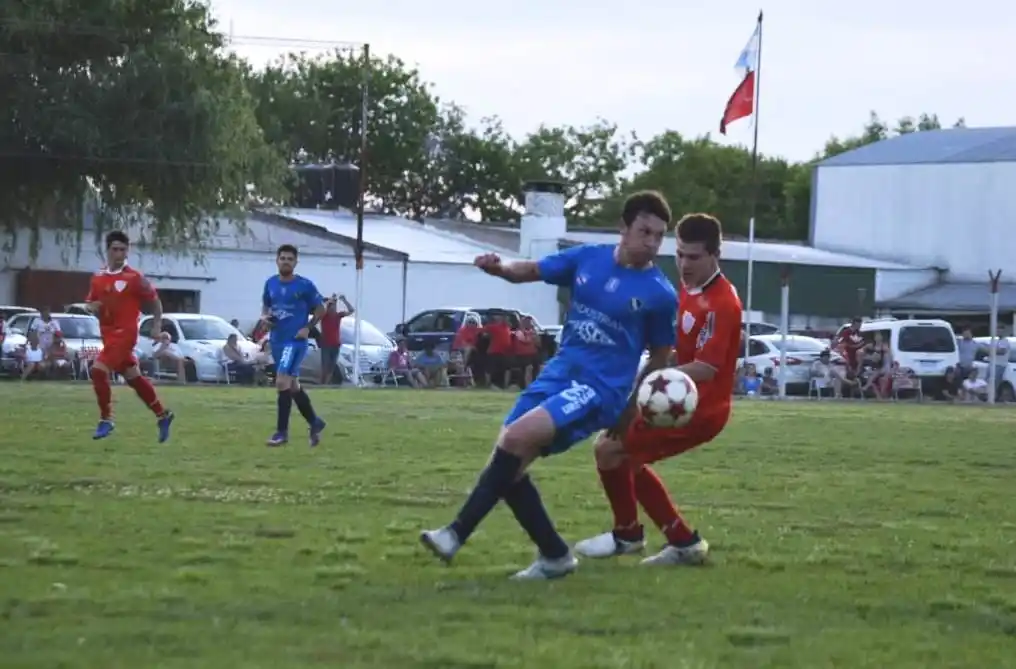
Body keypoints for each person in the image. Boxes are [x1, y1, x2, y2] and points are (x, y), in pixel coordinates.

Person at [419, 190, 678, 580]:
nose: (652, 243)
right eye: (645, 231)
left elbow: (660, 356)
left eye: (659, 235)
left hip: (599, 389)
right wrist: (500, 267)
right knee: (508, 464)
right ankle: (555, 555)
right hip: (559, 374)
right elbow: (533, 270)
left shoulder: (660, 293)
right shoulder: (587, 258)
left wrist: (630, 407)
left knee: (514, 441)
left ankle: (456, 533)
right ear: (623, 228)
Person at [574, 213, 742, 567]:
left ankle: (628, 534)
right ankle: (682, 541)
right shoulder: (689, 289)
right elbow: (685, 351)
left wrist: (650, 379)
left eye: (693, 257)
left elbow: (706, 368)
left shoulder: (722, 303)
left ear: (715, 255)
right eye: (680, 254)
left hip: (699, 407)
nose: (684, 263)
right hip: (680, 398)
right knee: (623, 457)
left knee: (609, 449)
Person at [84, 231, 174, 442]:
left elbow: (155, 302)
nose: (119, 254)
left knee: (98, 371)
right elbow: (91, 303)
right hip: (108, 334)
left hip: (125, 334)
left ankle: (106, 419)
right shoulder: (97, 277)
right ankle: (163, 415)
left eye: (123, 250)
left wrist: (156, 326)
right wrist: (92, 307)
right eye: (115, 249)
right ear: (107, 251)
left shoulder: (134, 278)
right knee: (133, 377)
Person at [261, 244, 327, 447]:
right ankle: (315, 422)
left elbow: (321, 309)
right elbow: (266, 306)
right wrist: (265, 318)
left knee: (281, 382)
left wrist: (308, 327)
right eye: (283, 258)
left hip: (295, 341)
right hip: (277, 339)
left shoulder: (305, 285)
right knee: (293, 385)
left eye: (290, 259)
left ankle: (281, 433)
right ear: (277, 260)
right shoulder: (270, 284)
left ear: (296, 262)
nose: (286, 262)